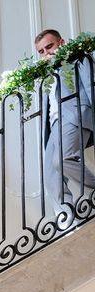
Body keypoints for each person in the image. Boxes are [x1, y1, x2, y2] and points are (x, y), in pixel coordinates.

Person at [35, 29, 95, 219]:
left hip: (75, 115)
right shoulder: (45, 74)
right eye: (41, 51)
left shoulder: (77, 58)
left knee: (62, 159)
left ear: (61, 42)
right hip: (54, 125)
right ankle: (66, 220)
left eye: (49, 46)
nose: (46, 53)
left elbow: (91, 84)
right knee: (51, 174)